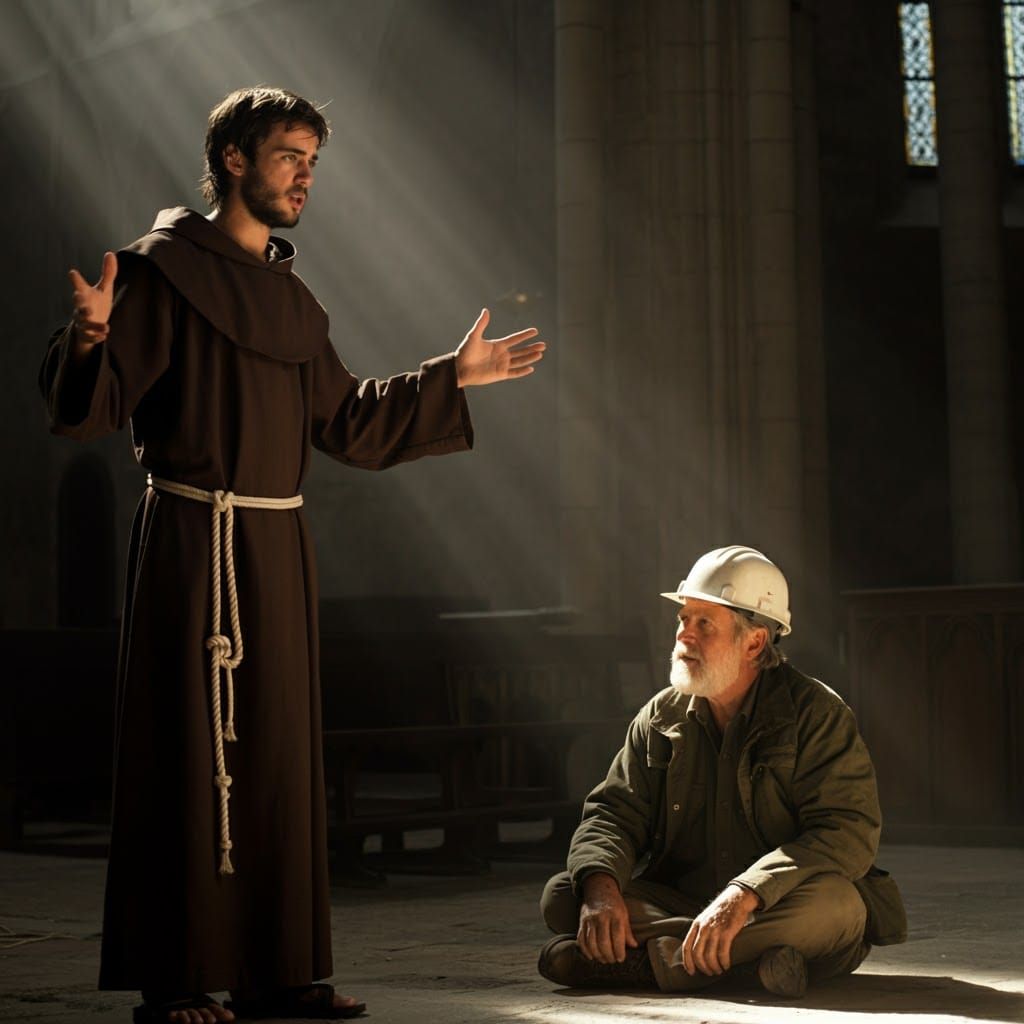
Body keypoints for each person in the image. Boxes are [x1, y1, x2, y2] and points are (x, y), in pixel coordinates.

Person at [39, 86, 545, 1024]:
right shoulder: (156, 273)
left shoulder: (292, 299)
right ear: (233, 159)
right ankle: (178, 976)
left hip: (275, 544)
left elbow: (347, 422)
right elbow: (90, 408)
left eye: (313, 159)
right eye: (287, 156)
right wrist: (92, 334)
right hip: (195, 544)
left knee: (277, 755)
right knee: (189, 756)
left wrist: (450, 377)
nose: (306, 174)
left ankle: (281, 970)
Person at [538, 545, 906, 999]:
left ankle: (650, 965)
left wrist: (746, 894)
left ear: (754, 642)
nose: (683, 637)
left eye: (704, 624)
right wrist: (601, 889)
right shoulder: (660, 714)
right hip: (687, 898)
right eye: (683, 620)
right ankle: (751, 965)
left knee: (839, 907)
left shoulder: (817, 714)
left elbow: (848, 834)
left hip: (777, 903)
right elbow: (614, 813)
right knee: (566, 894)